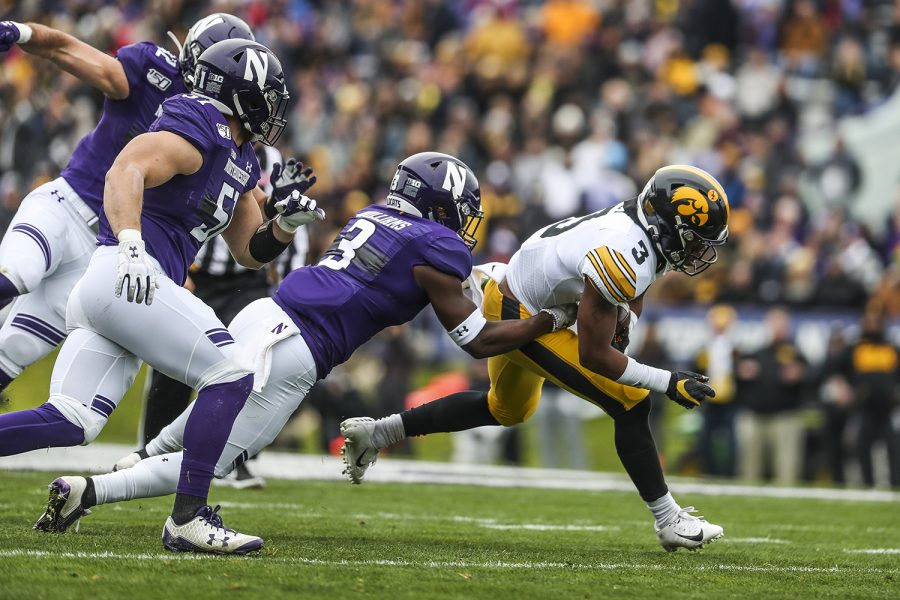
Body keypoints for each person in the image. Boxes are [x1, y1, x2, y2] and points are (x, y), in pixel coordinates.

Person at [32, 152, 577, 540]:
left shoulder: (375, 218)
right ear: (441, 206)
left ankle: (132, 463)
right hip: (296, 348)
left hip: (264, 315)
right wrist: (549, 319)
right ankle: (92, 492)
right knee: (214, 458)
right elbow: (479, 342)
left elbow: (407, 274)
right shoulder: (436, 246)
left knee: (194, 425)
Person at [5, 39, 320, 554]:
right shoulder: (201, 122)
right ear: (240, 92)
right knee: (233, 372)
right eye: (269, 95)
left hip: (122, 289)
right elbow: (126, 169)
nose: (275, 108)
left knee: (73, 420)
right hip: (129, 274)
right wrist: (131, 241)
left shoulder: (238, 154)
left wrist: (284, 223)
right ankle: (187, 520)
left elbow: (248, 251)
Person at [342, 165, 730, 552]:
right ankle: (668, 519)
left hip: (519, 291)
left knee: (507, 408)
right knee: (631, 401)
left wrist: (623, 314)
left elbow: (635, 283)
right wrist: (667, 381)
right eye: (694, 240)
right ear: (666, 225)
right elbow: (595, 356)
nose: (699, 252)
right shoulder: (624, 248)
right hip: (519, 312)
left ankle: (377, 434)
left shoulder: (641, 230)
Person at [0, 14, 257, 394]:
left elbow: (204, 213)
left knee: (15, 349)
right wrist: (21, 31)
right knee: (18, 271)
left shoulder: (229, 138)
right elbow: (65, 48)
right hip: (67, 205)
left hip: (104, 251)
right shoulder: (157, 74)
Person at [734, 308, 809, 483]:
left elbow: (813, 375)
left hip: (785, 416)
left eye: (782, 324)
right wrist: (741, 371)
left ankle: (787, 502)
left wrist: (801, 374)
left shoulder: (795, 354)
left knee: (786, 467)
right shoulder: (756, 353)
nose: (778, 328)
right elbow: (736, 376)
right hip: (755, 415)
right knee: (749, 467)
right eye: (775, 324)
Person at [835, 310, 900, 487]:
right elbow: (835, 370)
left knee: (895, 448)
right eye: (869, 321)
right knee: (861, 448)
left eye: (877, 321)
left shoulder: (891, 349)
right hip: (863, 408)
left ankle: (895, 485)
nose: (873, 325)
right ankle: (866, 485)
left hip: (889, 409)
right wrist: (843, 389)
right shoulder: (855, 349)